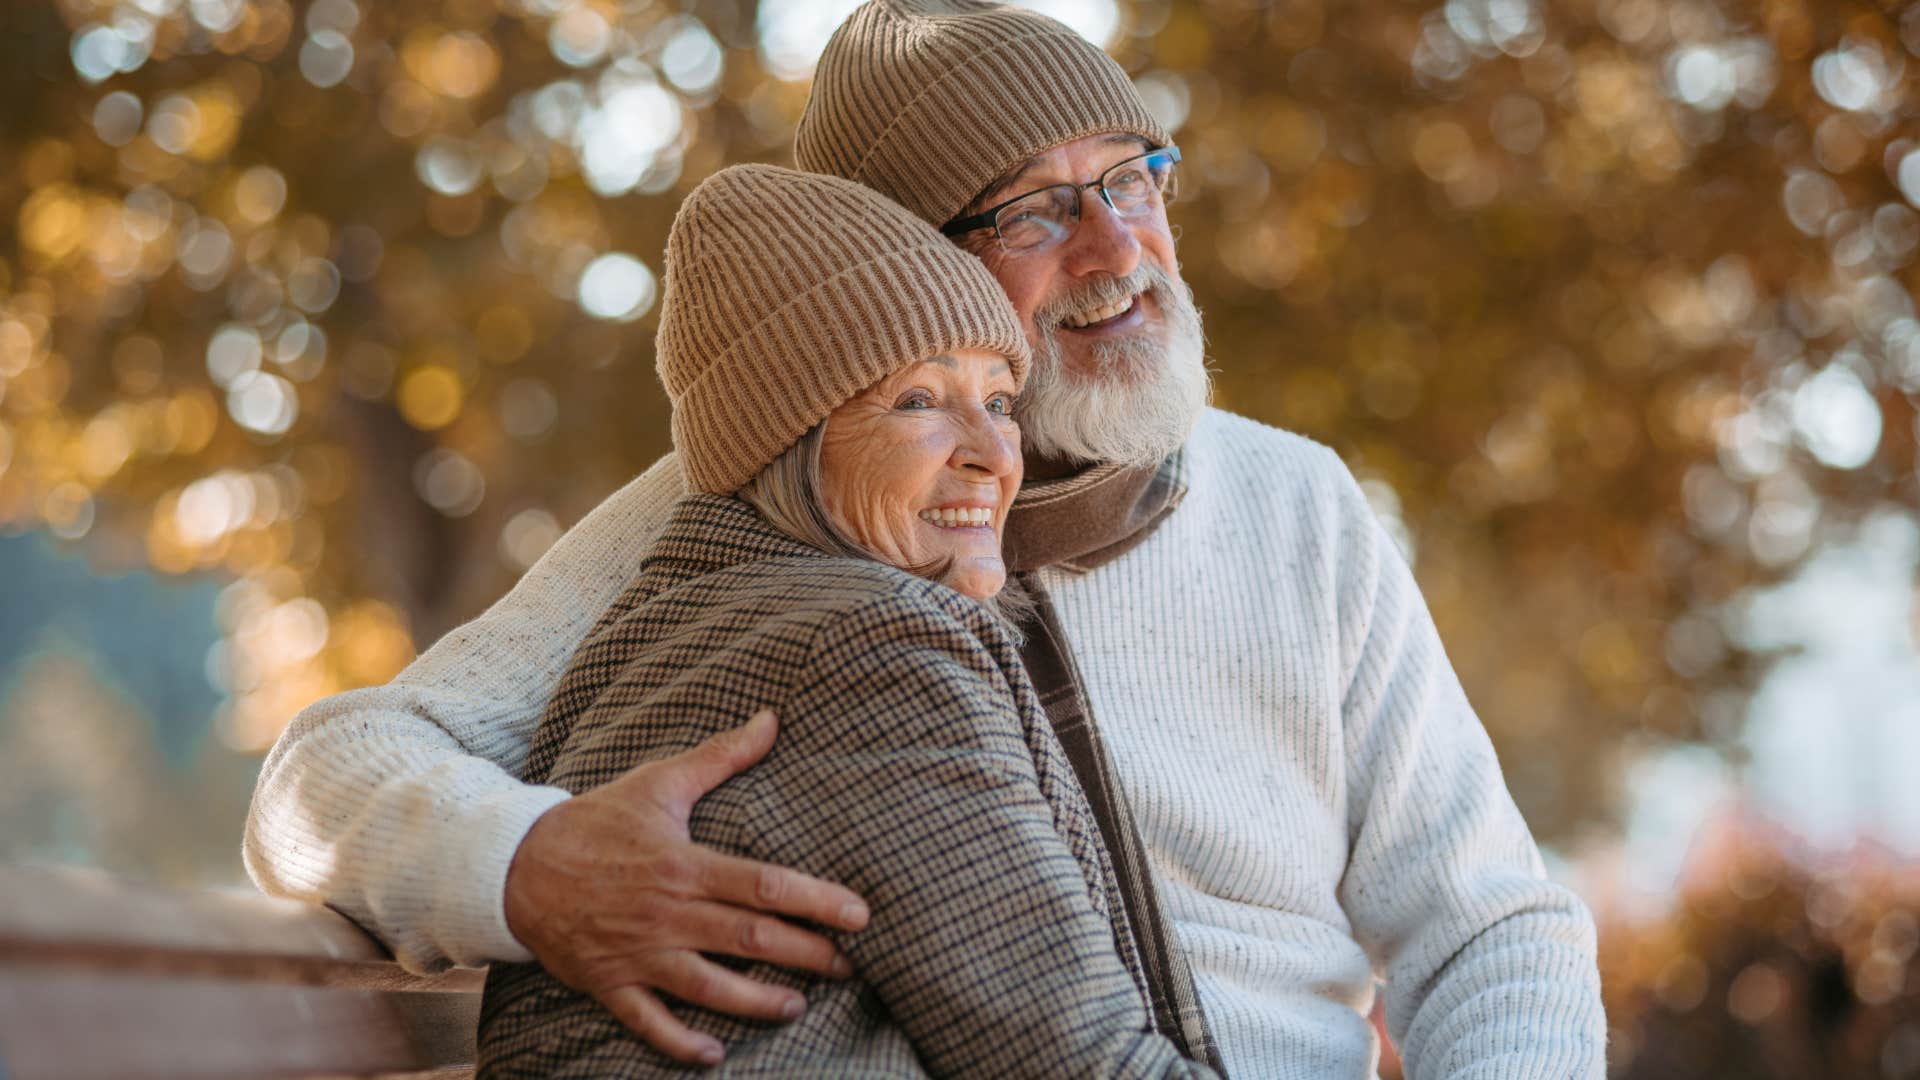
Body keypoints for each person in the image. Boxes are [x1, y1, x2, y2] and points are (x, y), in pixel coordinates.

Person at [246, 2, 1607, 1075]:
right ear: (906, 276)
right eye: (1031, 210)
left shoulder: (1297, 509)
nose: (1115, 249)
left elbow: (1488, 924)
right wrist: (531, 868)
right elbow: (324, 774)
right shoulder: (735, 508)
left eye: (1132, 179)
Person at [476, 162, 1210, 1077]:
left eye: (998, 402)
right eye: (918, 402)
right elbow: (1083, 1065)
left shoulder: (673, 620)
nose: (993, 455)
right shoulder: (871, 642)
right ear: (791, 439)